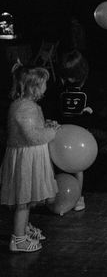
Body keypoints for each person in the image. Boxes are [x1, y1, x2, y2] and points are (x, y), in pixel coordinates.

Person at [0, 64, 60, 252]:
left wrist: (45, 125)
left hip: (28, 155)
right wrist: (51, 132)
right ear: (34, 87)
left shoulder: (25, 106)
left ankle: (24, 228)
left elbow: (33, 128)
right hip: (27, 158)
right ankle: (18, 239)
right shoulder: (24, 108)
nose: (46, 88)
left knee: (26, 197)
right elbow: (32, 136)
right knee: (23, 199)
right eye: (43, 84)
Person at [58, 49, 93, 212]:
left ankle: (78, 197)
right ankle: (68, 197)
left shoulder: (82, 92)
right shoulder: (61, 92)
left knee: (77, 168)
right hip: (65, 138)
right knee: (74, 168)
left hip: (75, 140)